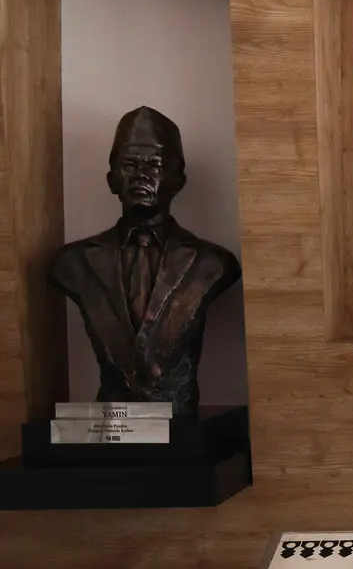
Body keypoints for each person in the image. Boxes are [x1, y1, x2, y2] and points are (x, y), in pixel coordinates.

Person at [48, 106, 240, 418]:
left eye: (154, 165)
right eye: (130, 164)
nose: (141, 175)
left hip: (178, 420)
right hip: (112, 427)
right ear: (111, 180)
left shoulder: (213, 264)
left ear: (178, 181)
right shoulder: (72, 264)